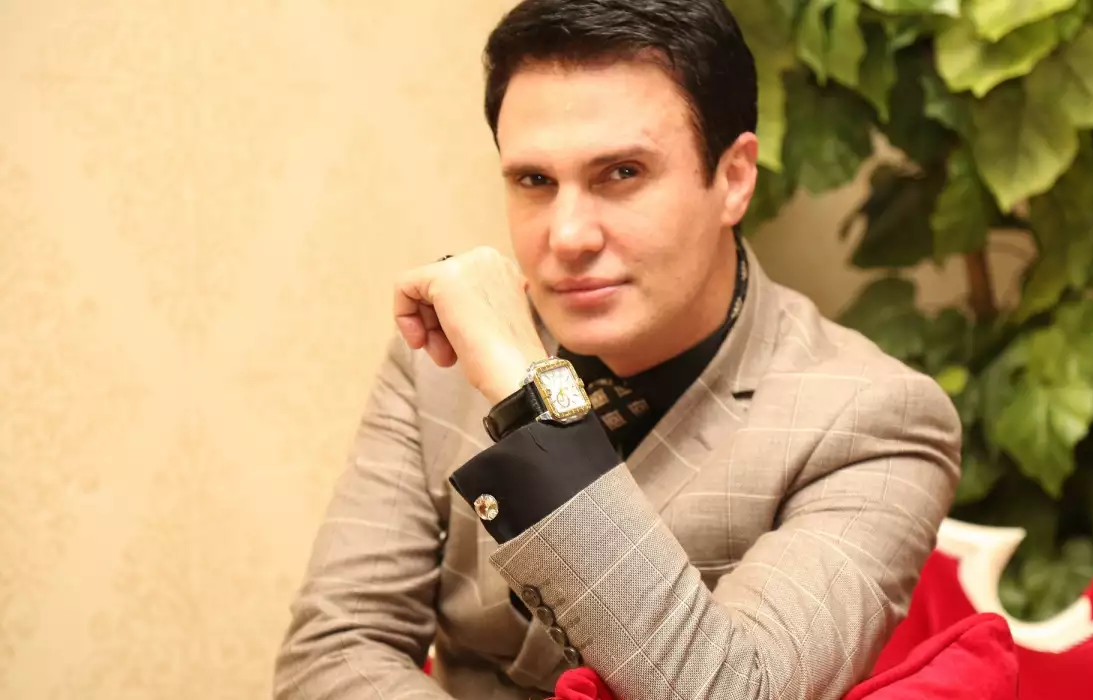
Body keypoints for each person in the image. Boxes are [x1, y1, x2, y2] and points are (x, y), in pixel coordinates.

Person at [273, 0, 962, 698]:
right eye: (535, 181)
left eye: (623, 173)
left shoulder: (876, 418)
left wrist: (531, 400)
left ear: (733, 179)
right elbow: (330, 654)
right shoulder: (440, 362)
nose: (568, 236)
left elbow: (736, 691)